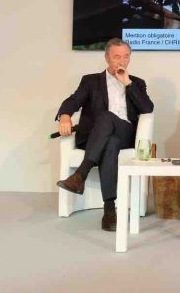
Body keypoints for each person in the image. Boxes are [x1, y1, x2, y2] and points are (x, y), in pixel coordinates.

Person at [55, 38, 154, 231]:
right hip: (97, 136)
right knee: (110, 143)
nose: (122, 61)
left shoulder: (137, 83)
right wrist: (65, 116)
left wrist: (127, 83)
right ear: (107, 58)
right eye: (117, 57)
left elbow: (147, 108)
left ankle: (80, 175)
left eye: (126, 57)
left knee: (108, 118)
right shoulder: (90, 81)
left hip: (125, 133)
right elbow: (73, 100)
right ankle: (110, 210)